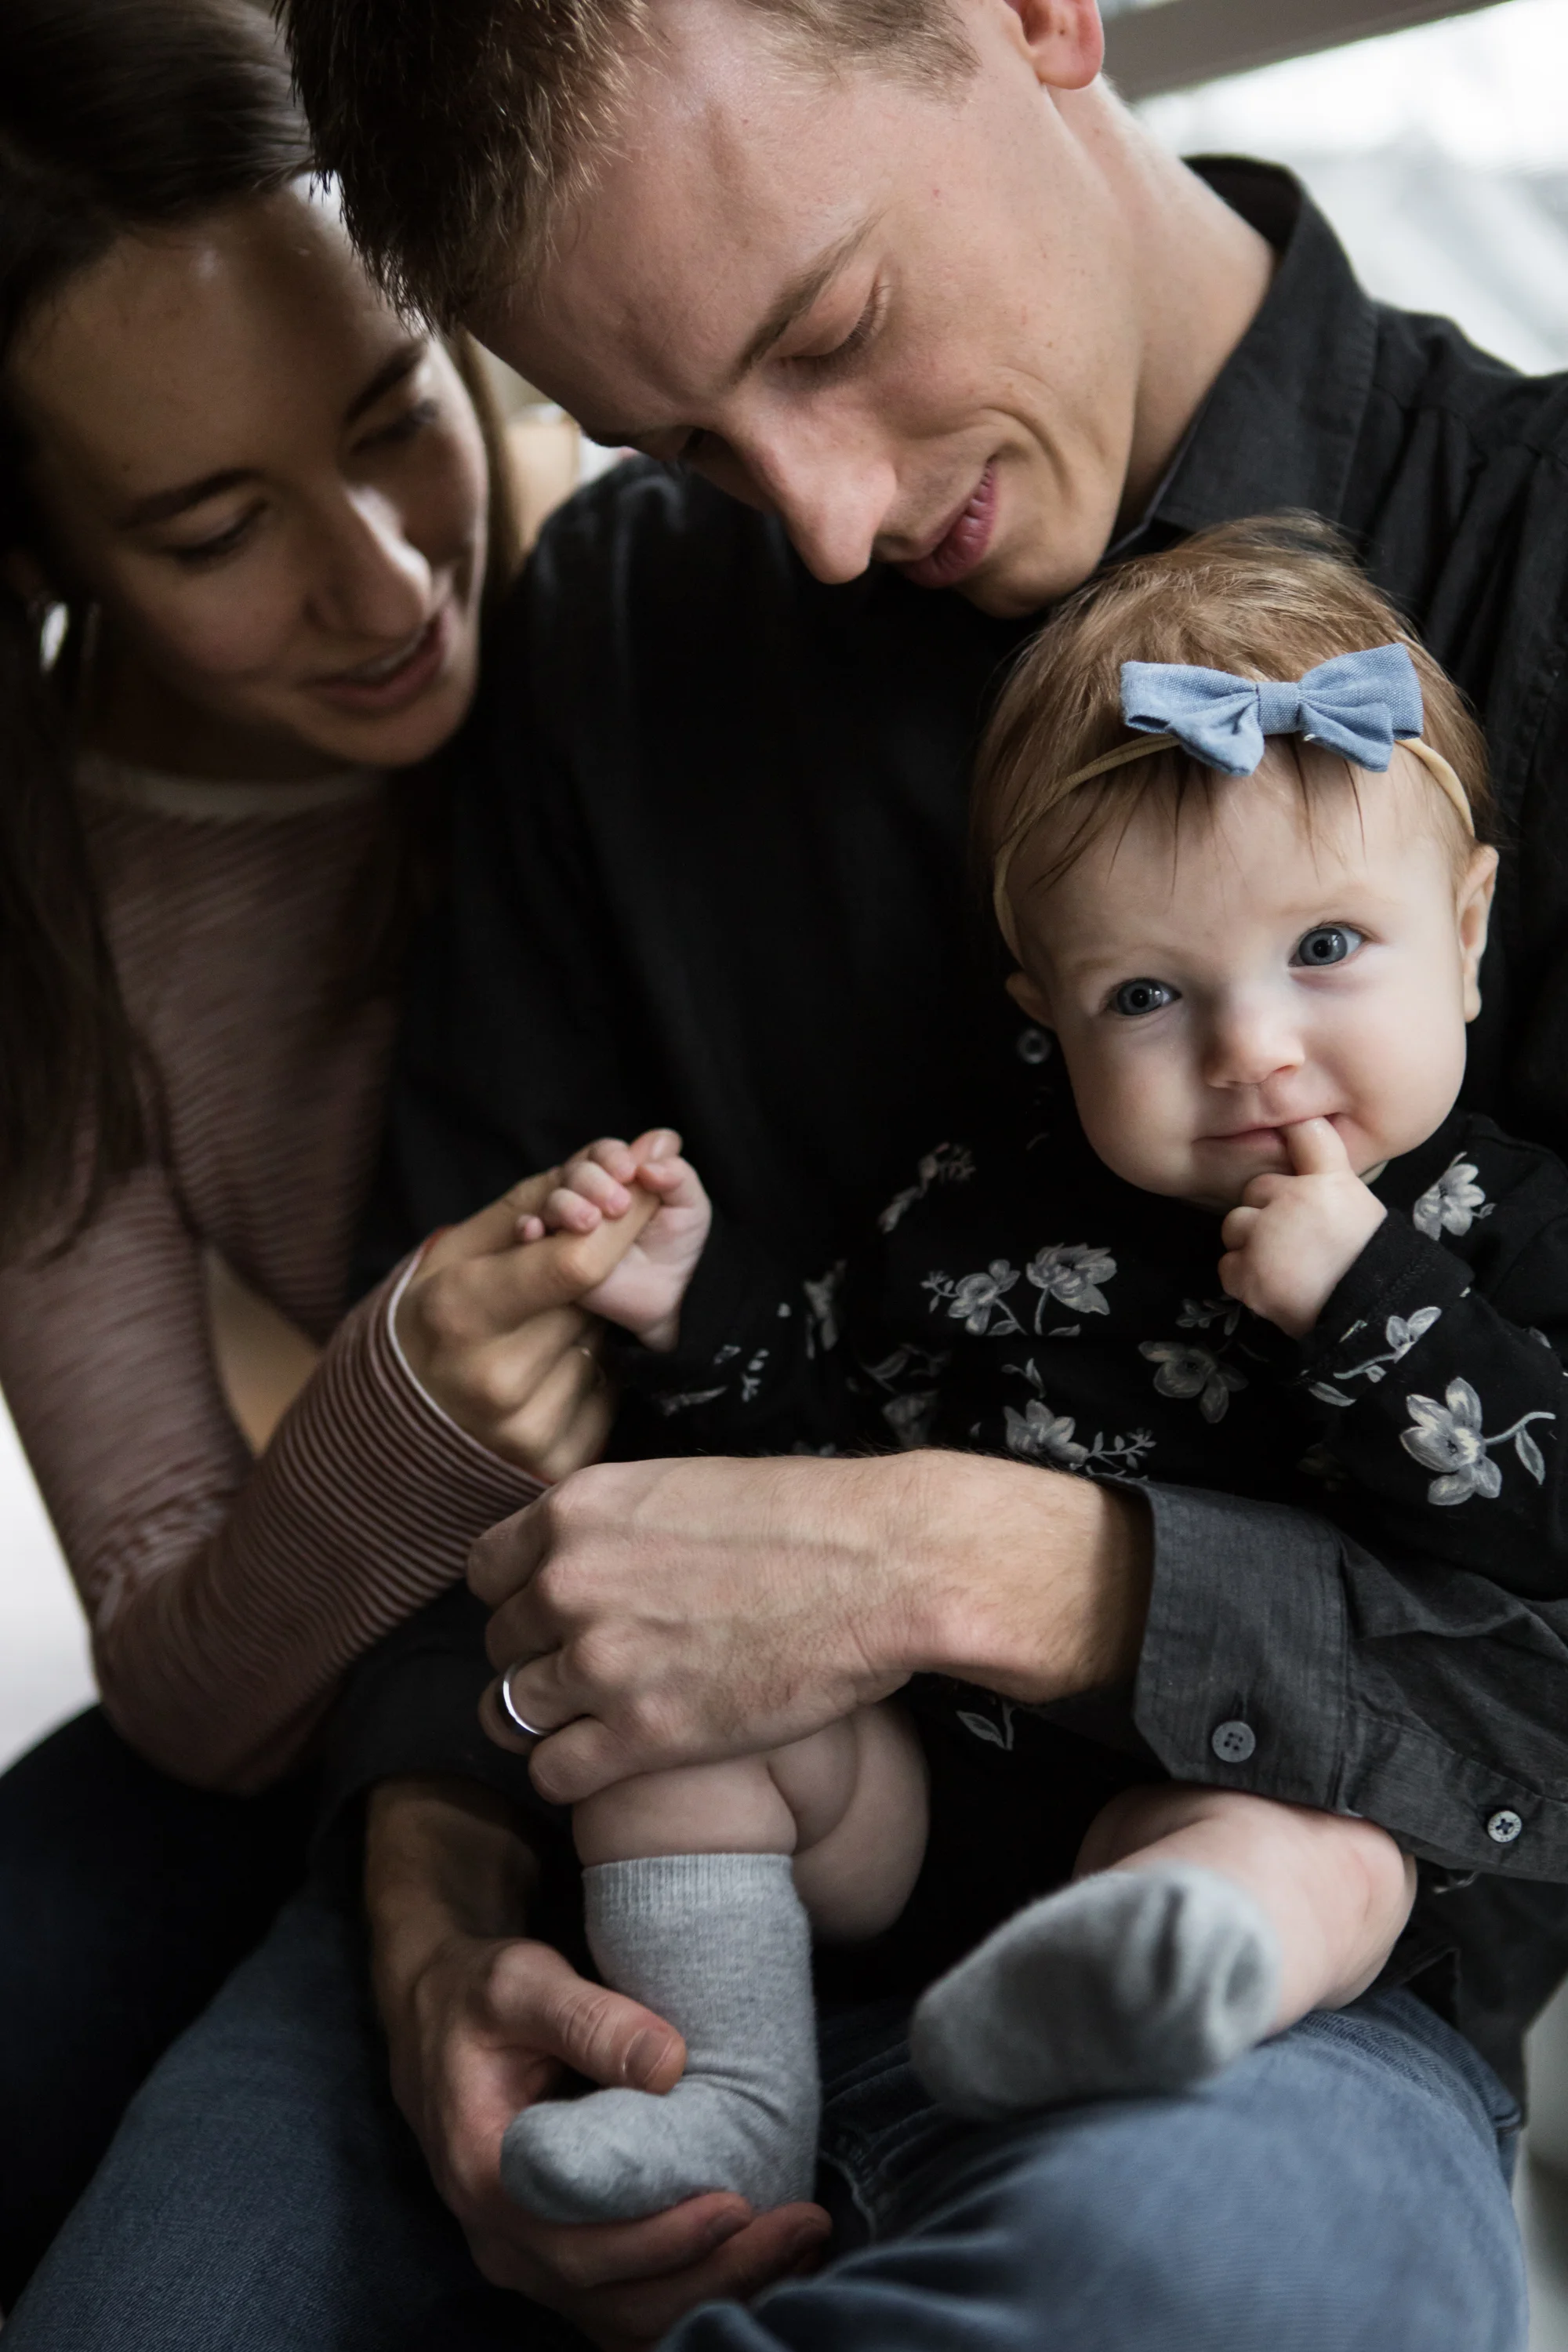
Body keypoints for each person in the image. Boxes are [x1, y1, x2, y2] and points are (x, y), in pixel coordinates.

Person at [16, 0, 1568, 2343]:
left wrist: (974, 1561)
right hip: (622, 1894)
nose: (824, 526)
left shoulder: (1533, 571)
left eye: (830, 328)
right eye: (674, 439)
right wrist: (434, 1925)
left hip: (1272, 1999)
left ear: (1033, 14)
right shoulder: (610, 620)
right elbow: (462, 1514)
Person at [495, 517, 1554, 2227]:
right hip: (924, 1799)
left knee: (1331, 1864)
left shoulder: (1500, 1232)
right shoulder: (974, 1213)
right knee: (660, 1720)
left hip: (1233, 1799)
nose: (1249, 1049)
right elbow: (812, 1459)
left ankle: (1116, 2007)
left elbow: (1541, 1526)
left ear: (1470, 926)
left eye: (1325, 949)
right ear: (1045, 1016)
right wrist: (689, 1306)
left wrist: (1372, 1303)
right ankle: (728, 2103)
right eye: (1146, 996)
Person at [0, 0, 616, 2302]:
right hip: (346, 1697)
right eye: (214, 528)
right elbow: (176, 1660)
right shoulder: (52, 914)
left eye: (391, 418)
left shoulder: (652, 588)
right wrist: (407, 1412)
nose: (378, 581)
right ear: (48, 552)